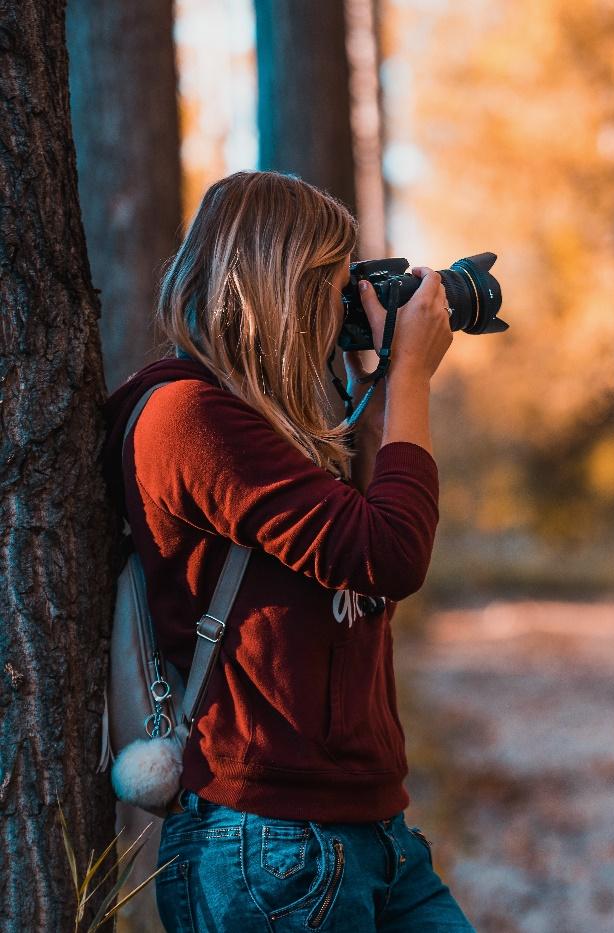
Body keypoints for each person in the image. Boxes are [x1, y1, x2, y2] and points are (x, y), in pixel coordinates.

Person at [103, 170, 476, 931]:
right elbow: (389, 552)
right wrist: (409, 375)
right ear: (286, 286)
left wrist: (370, 372)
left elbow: (370, 516)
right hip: (267, 842)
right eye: (336, 289)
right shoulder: (187, 415)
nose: (345, 310)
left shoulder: (270, 422)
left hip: (369, 830)